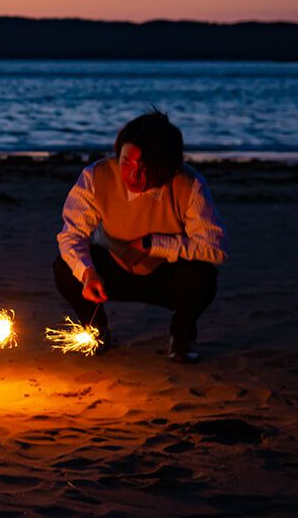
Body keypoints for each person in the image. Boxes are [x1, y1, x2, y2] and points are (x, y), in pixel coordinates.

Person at [52, 110, 229, 363]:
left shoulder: (189, 184)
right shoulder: (95, 176)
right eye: (127, 163)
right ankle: (96, 331)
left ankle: (182, 336)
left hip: (165, 275)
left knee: (202, 277)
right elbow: (71, 235)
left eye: (146, 168)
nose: (134, 176)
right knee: (66, 268)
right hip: (112, 272)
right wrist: (88, 273)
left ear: (167, 167)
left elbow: (216, 248)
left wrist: (153, 244)